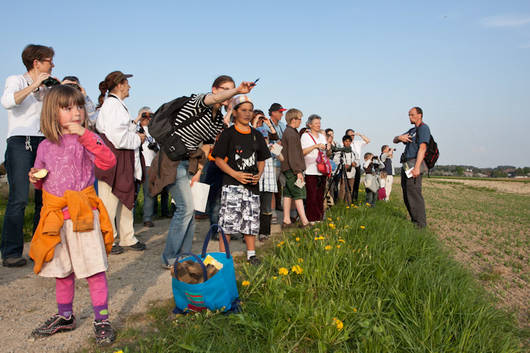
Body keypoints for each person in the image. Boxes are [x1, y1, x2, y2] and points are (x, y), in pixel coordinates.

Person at [27, 85, 116, 345]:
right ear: (52, 113)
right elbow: (41, 176)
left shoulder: (86, 139)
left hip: (82, 217)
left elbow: (108, 161)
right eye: (67, 108)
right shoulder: (44, 146)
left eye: (78, 107)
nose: (76, 113)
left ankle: (102, 319)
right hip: (56, 219)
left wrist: (87, 135)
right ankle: (65, 316)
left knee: (94, 270)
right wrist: (35, 177)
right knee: (62, 270)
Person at [149, 76, 256, 268]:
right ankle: (170, 258)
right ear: (214, 89)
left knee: (191, 209)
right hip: (170, 160)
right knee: (185, 208)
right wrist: (238, 91)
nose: (226, 93)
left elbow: (207, 146)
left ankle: (185, 255)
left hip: (189, 163)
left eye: (230, 90)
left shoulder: (215, 120)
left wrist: (199, 170)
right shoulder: (198, 102)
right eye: (224, 89)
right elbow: (212, 100)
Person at [1, 44, 55, 267]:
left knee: (44, 199)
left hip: (42, 142)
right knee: (20, 198)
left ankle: (37, 247)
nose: (53, 64)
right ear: (36, 63)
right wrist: (35, 84)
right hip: (20, 143)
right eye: (49, 60)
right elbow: (7, 102)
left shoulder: (45, 89)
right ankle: (11, 251)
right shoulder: (16, 80)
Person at [213, 95, 270, 265]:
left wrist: (259, 175)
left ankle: (251, 254)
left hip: (252, 185)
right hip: (232, 184)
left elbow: (262, 159)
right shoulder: (228, 133)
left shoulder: (256, 135)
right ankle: (224, 257)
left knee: (251, 219)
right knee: (228, 221)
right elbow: (218, 159)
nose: (247, 113)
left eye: (250, 110)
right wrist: (235, 174)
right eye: (243, 110)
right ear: (235, 112)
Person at [95, 71, 146, 254]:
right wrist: (138, 139)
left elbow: (121, 129)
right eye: (127, 83)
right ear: (119, 85)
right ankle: (108, 239)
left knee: (125, 197)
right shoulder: (112, 105)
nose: (129, 86)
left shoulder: (116, 105)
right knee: (109, 200)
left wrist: (135, 125)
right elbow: (118, 138)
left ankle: (127, 237)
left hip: (121, 157)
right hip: (114, 157)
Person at [393, 106, 430, 228]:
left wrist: (417, 167)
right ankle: (414, 221)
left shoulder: (424, 128)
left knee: (414, 193)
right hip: (406, 164)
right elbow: (394, 140)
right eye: (409, 115)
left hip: (414, 163)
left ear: (419, 115)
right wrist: (399, 138)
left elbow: (423, 148)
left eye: (412, 114)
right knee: (407, 193)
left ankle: (420, 226)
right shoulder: (411, 130)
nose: (410, 117)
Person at [280, 108, 310, 228]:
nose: (300, 121)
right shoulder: (292, 134)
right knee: (299, 194)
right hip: (293, 170)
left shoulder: (288, 132)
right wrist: (298, 171)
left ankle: (286, 220)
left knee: (288, 194)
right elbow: (293, 154)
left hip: (287, 168)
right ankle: (304, 222)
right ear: (293, 120)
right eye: (299, 119)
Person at [252, 110, 279, 241]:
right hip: (254, 178)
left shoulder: (271, 145)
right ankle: (249, 232)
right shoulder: (251, 141)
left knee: (266, 208)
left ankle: (264, 233)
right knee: (252, 207)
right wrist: (255, 120)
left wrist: (269, 124)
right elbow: (250, 133)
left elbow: (276, 138)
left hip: (267, 180)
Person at [136, 106, 164, 227]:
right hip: (138, 163)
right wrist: (138, 119)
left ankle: (147, 217)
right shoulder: (135, 129)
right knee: (134, 193)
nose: (147, 118)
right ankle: (130, 218)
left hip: (151, 164)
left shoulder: (155, 131)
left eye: (149, 116)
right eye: (145, 116)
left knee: (149, 192)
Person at [301, 114, 328, 223]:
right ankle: (311, 218)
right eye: (316, 123)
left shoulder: (322, 136)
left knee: (320, 195)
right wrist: (315, 146)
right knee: (311, 195)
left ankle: (319, 217)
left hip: (322, 169)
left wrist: (327, 147)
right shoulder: (305, 136)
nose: (318, 125)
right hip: (310, 169)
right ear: (309, 124)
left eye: (319, 123)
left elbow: (326, 150)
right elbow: (302, 152)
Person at [345, 129, 370, 203]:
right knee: (348, 183)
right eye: (350, 135)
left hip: (357, 164)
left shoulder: (357, 143)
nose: (352, 136)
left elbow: (368, 141)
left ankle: (354, 199)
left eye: (353, 135)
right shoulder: (345, 143)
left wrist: (359, 135)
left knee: (356, 182)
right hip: (349, 164)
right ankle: (347, 200)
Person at [335, 135, 358, 204]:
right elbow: (336, 161)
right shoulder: (340, 152)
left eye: (349, 141)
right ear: (343, 142)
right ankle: (340, 204)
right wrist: (343, 165)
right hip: (343, 174)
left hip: (352, 173)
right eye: (346, 141)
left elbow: (358, 161)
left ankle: (348, 204)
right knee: (342, 190)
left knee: (350, 189)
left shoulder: (354, 152)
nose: (347, 143)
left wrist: (355, 163)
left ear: (351, 142)